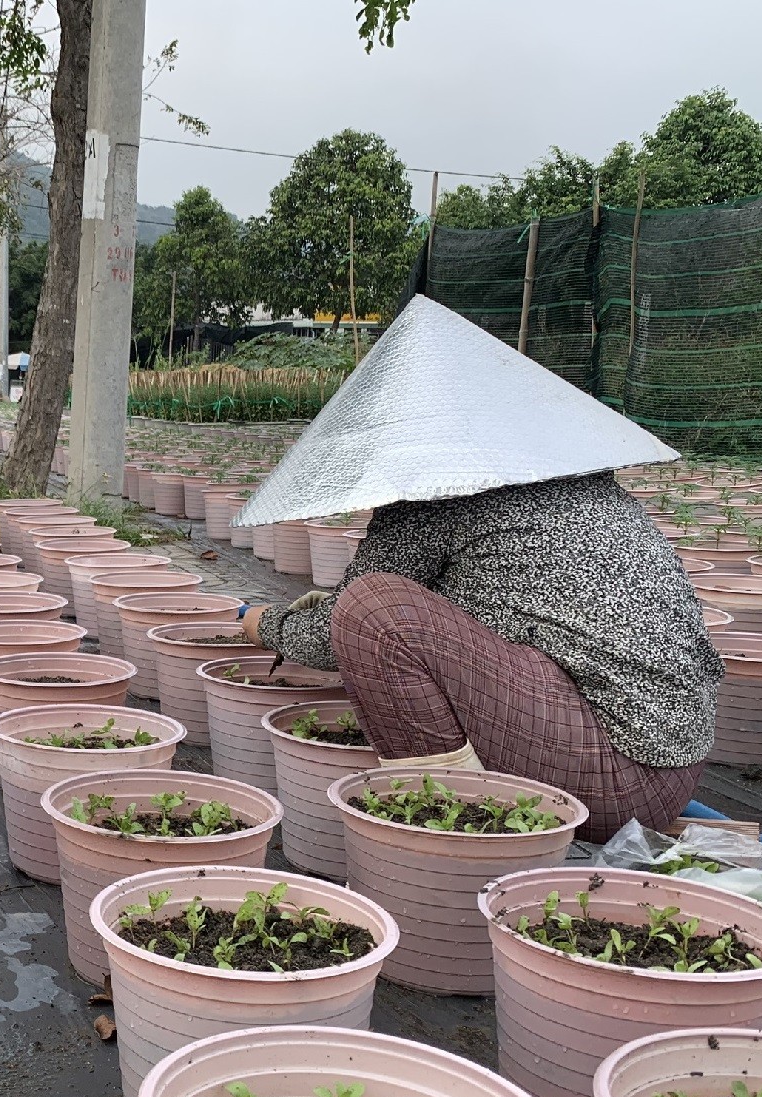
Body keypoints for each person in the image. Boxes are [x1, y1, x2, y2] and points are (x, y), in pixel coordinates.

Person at [236, 296, 720, 841]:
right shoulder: (578, 482)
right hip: (676, 762)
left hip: (615, 778)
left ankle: (447, 833)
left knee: (373, 612)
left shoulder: (433, 501)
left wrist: (260, 623)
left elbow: (336, 635)